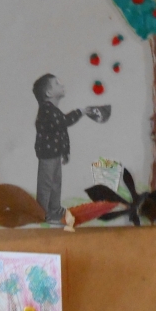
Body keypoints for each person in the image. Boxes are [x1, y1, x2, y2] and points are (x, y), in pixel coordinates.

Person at [32, 74, 93, 223]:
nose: (62, 85)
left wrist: (65, 151)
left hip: (55, 154)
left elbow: (62, 132)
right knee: (46, 184)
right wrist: (80, 112)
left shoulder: (53, 110)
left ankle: (54, 209)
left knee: (55, 183)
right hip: (47, 155)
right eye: (57, 84)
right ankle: (41, 213)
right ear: (49, 93)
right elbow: (65, 122)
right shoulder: (47, 110)